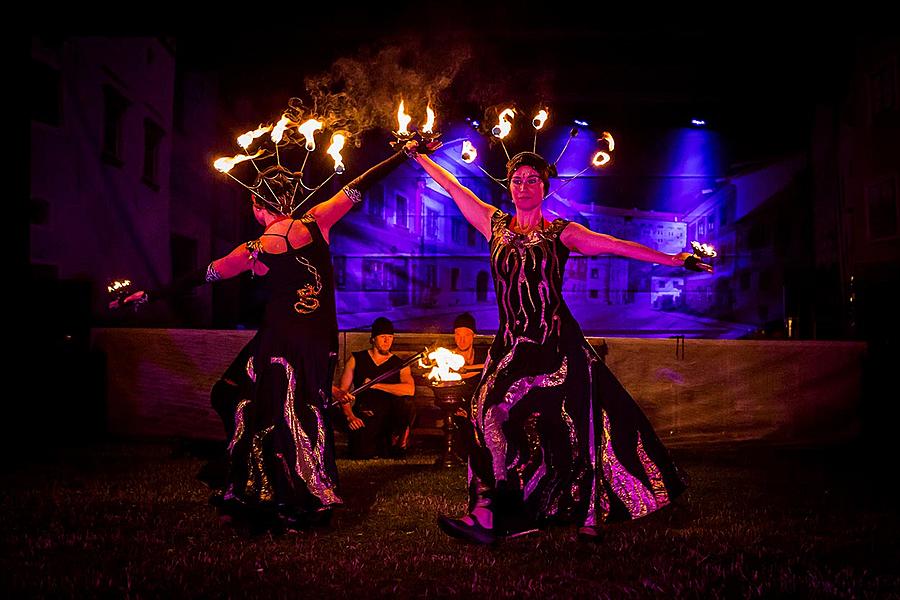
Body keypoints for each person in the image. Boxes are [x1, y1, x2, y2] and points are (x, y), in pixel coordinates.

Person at [408, 142, 710, 544]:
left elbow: (616, 245)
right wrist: (418, 156)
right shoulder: (493, 223)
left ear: (544, 186)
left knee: (566, 425)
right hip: (512, 343)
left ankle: (510, 512)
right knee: (485, 412)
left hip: (552, 345)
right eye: (517, 180)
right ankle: (492, 509)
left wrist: (673, 260)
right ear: (509, 186)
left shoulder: (561, 233)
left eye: (532, 179)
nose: (523, 186)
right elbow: (453, 187)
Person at [117, 149, 408, 531]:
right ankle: (284, 491)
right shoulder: (318, 221)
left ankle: (282, 494)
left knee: (256, 406)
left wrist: (150, 295)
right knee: (299, 412)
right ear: (288, 200)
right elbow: (361, 183)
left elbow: (202, 277)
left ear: (257, 206)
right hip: (319, 341)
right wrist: (405, 152)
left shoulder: (254, 249)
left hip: (279, 340)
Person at [338, 317, 417, 458]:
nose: (387, 341)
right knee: (362, 453)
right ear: (373, 338)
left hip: (389, 416)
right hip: (365, 413)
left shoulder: (399, 364)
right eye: (383, 337)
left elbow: (409, 390)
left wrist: (375, 384)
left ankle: (399, 441)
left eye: (390, 337)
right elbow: (342, 392)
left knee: (408, 404)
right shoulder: (356, 359)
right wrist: (350, 416)